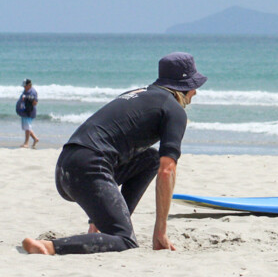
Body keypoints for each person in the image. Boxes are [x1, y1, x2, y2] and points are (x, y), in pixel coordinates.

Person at [22, 52, 207, 255]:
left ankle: (100, 225)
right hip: (89, 168)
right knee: (125, 241)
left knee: (150, 159)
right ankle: (48, 247)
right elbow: (167, 171)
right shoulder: (173, 110)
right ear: (183, 86)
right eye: (193, 86)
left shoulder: (137, 94)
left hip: (66, 168)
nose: (195, 93)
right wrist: (160, 231)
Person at [17, 79, 39, 149]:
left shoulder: (33, 92)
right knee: (26, 127)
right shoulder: (25, 91)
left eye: (25, 86)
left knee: (28, 127)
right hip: (24, 111)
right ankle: (35, 139)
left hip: (29, 112)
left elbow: (35, 102)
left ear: (29, 85)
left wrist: (28, 99)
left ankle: (26, 143)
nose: (24, 87)